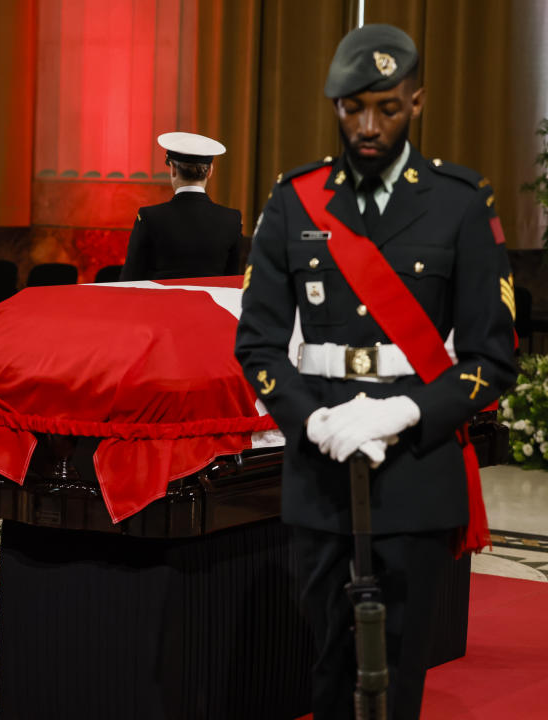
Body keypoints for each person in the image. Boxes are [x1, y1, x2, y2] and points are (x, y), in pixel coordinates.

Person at [234, 24, 516, 720]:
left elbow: (492, 358)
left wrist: (409, 411)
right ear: (333, 104)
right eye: (352, 106)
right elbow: (258, 344)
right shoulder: (294, 201)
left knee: (398, 659)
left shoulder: (460, 202)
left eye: (386, 107)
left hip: (416, 469)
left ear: (417, 103)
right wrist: (313, 419)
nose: (367, 125)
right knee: (330, 654)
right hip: (322, 464)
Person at [119, 132, 241, 281]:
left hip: (161, 304)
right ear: (210, 171)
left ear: (173, 169)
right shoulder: (232, 219)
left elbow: (130, 279)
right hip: (208, 304)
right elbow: (233, 283)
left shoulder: (150, 217)